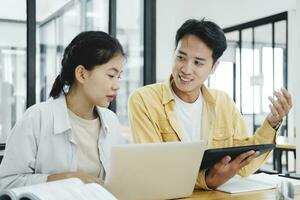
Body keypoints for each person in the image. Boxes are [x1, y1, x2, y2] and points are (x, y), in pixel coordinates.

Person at [128, 19, 292, 190]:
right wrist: (206, 180)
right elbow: (154, 168)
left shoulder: (223, 103)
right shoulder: (143, 100)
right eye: (180, 57)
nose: (186, 69)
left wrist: (272, 122)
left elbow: (244, 166)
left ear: (214, 67)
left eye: (198, 62)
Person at [0, 31, 126, 190]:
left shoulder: (111, 120)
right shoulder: (36, 118)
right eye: (111, 75)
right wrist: (65, 179)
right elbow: (6, 183)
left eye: (119, 77)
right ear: (81, 74)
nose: (117, 86)